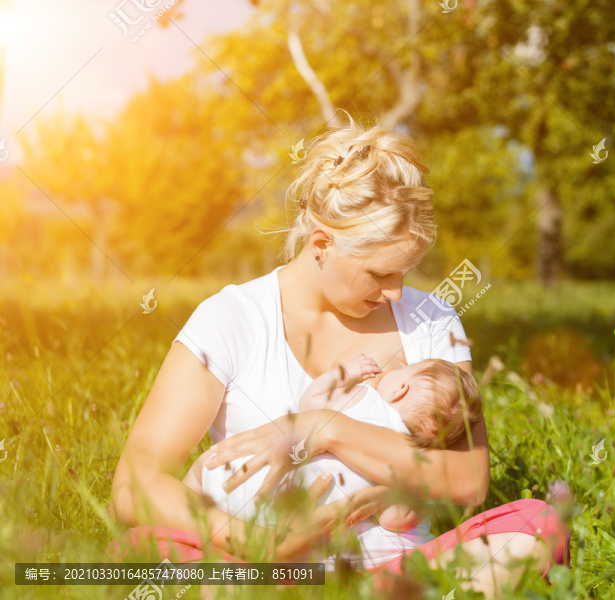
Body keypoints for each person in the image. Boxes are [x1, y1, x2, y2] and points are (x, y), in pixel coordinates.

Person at [107, 112, 570, 597]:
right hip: (262, 570)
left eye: (405, 273)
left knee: (535, 526)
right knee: (150, 554)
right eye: (379, 274)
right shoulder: (232, 318)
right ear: (323, 243)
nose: (395, 293)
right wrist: (259, 541)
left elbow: (467, 479)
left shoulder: (433, 321)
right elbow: (136, 483)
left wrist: (327, 429)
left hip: (395, 571)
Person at [181, 353, 483, 570]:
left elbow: (310, 401)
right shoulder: (409, 459)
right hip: (297, 530)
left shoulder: (365, 400)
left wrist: (345, 373)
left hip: (244, 486)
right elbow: (395, 519)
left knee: (203, 477)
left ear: (400, 389)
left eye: (409, 368)